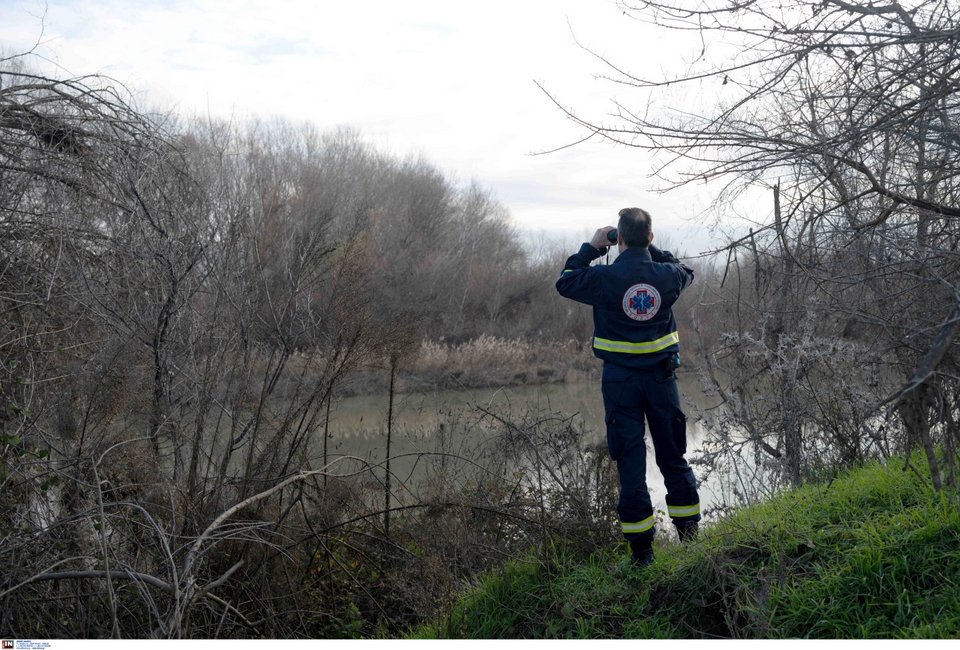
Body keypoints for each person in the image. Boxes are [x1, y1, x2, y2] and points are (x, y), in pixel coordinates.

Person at [556, 207, 700, 567]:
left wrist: (591, 248)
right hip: (662, 380)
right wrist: (651, 250)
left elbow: (566, 280)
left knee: (631, 464)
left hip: (620, 382)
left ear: (617, 239)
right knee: (673, 458)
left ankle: (642, 556)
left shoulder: (604, 277)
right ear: (649, 238)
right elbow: (686, 270)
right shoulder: (666, 276)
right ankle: (692, 542)